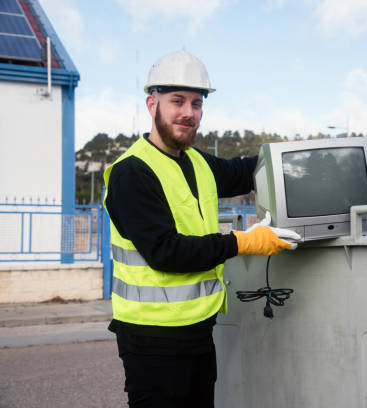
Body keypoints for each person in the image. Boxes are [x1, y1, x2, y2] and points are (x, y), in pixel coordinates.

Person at [103, 50, 296, 407]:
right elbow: (166, 251)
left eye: (196, 103)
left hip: (198, 331)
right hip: (151, 341)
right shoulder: (132, 172)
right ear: (152, 104)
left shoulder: (196, 161)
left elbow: (242, 171)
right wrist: (242, 242)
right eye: (177, 101)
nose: (188, 113)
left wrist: (294, 159)